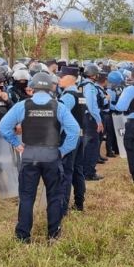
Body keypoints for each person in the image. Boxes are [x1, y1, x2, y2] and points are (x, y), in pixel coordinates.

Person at [0, 72, 79, 243]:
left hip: (29, 157)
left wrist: (15, 143)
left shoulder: (22, 106)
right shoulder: (59, 106)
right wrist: (63, 150)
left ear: (32, 88)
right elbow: (74, 130)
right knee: (55, 196)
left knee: (27, 197)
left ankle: (23, 236)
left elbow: (4, 126)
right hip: (52, 156)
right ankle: (54, 235)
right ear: (50, 87)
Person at [58, 66, 86, 213]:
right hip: (80, 136)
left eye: (61, 76)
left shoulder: (67, 97)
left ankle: (63, 208)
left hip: (69, 139)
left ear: (70, 78)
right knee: (78, 171)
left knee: (66, 173)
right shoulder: (80, 94)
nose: (59, 79)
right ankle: (79, 203)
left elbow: (60, 120)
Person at [80, 64, 104, 181]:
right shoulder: (90, 86)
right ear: (93, 75)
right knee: (92, 145)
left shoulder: (81, 85)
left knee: (87, 145)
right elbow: (92, 106)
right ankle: (89, 172)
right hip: (90, 119)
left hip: (83, 118)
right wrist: (98, 121)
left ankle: (85, 171)